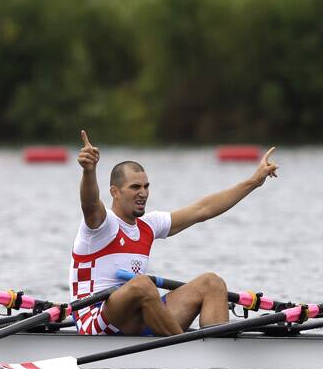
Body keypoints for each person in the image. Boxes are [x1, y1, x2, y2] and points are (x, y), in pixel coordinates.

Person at [71, 130, 278, 336]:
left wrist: (253, 182)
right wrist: (89, 171)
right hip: (94, 319)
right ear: (115, 192)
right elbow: (89, 203)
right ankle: (186, 350)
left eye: (146, 186)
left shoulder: (149, 225)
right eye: (135, 187)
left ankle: (216, 355)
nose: (143, 193)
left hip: (135, 315)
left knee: (211, 283)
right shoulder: (100, 225)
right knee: (142, 284)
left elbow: (202, 210)